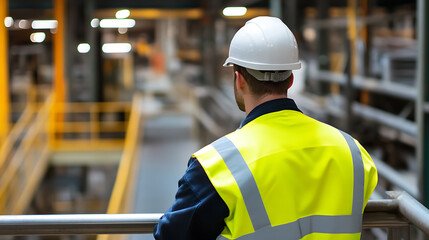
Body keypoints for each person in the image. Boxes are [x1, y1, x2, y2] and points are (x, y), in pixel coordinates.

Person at [154, 16, 378, 240]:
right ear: (290, 79)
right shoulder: (353, 152)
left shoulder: (217, 167)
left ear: (239, 80)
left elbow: (170, 235)